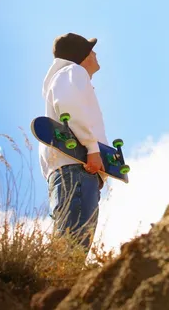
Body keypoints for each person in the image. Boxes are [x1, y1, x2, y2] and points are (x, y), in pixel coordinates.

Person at [39, 32, 109, 254]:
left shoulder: (66, 76)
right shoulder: (73, 72)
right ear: (82, 55)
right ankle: (61, 287)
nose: (95, 53)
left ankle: (61, 286)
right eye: (90, 49)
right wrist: (92, 148)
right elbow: (70, 106)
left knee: (70, 245)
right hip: (78, 168)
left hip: (72, 170)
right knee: (73, 247)